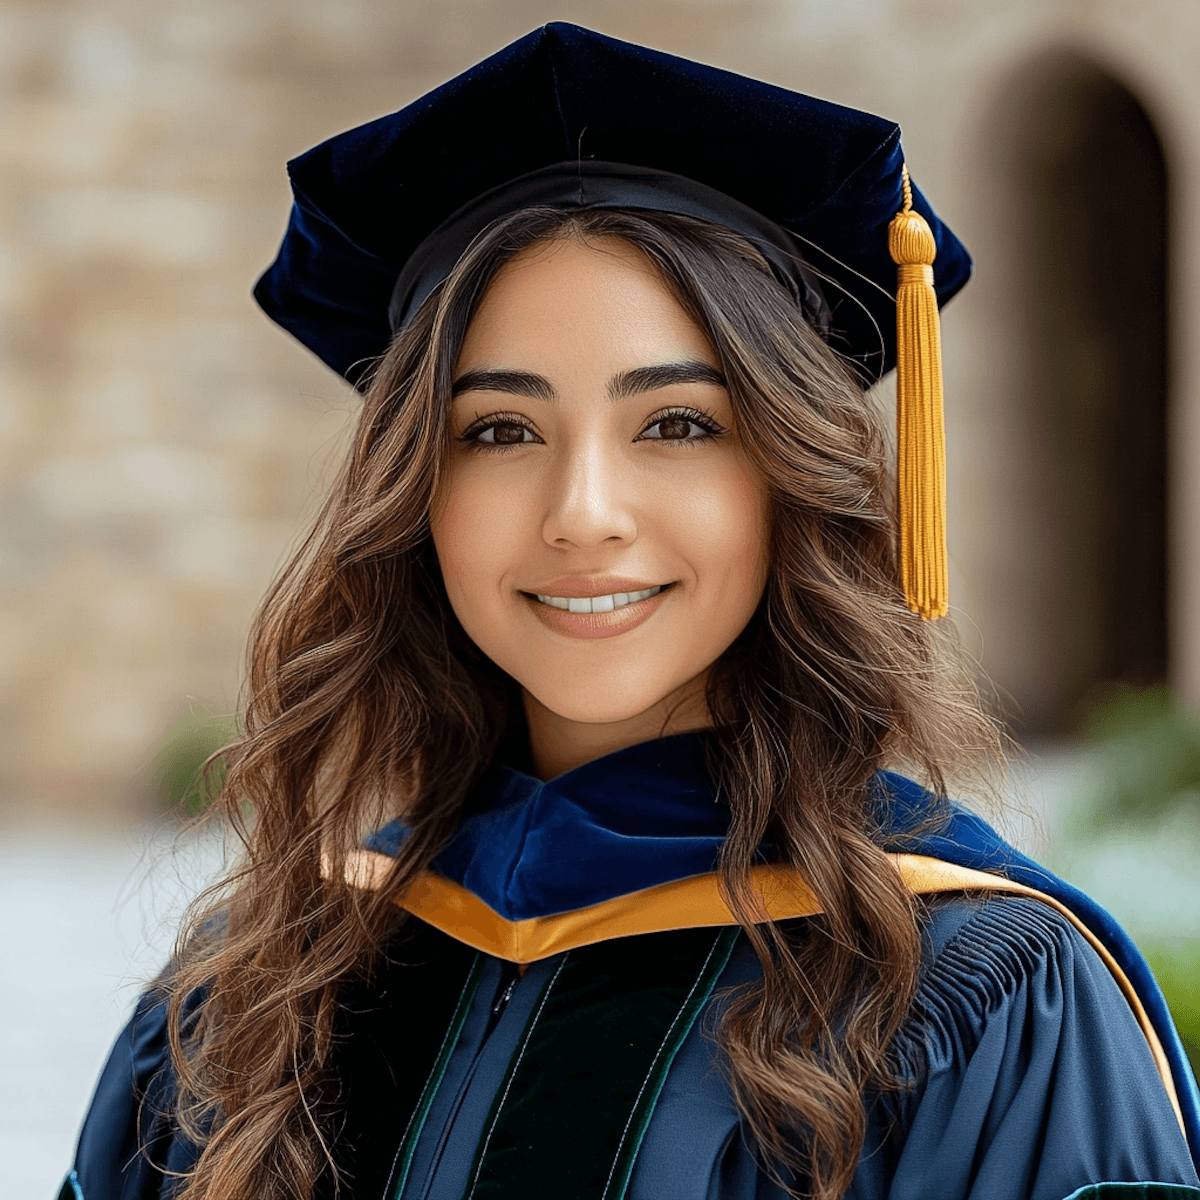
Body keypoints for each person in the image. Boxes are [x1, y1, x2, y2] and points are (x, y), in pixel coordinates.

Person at [62, 23, 1200, 1200]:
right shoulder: (254, 989)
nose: (584, 514)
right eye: (501, 431)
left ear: (789, 476)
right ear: (416, 498)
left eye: (677, 425)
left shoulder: (977, 989)